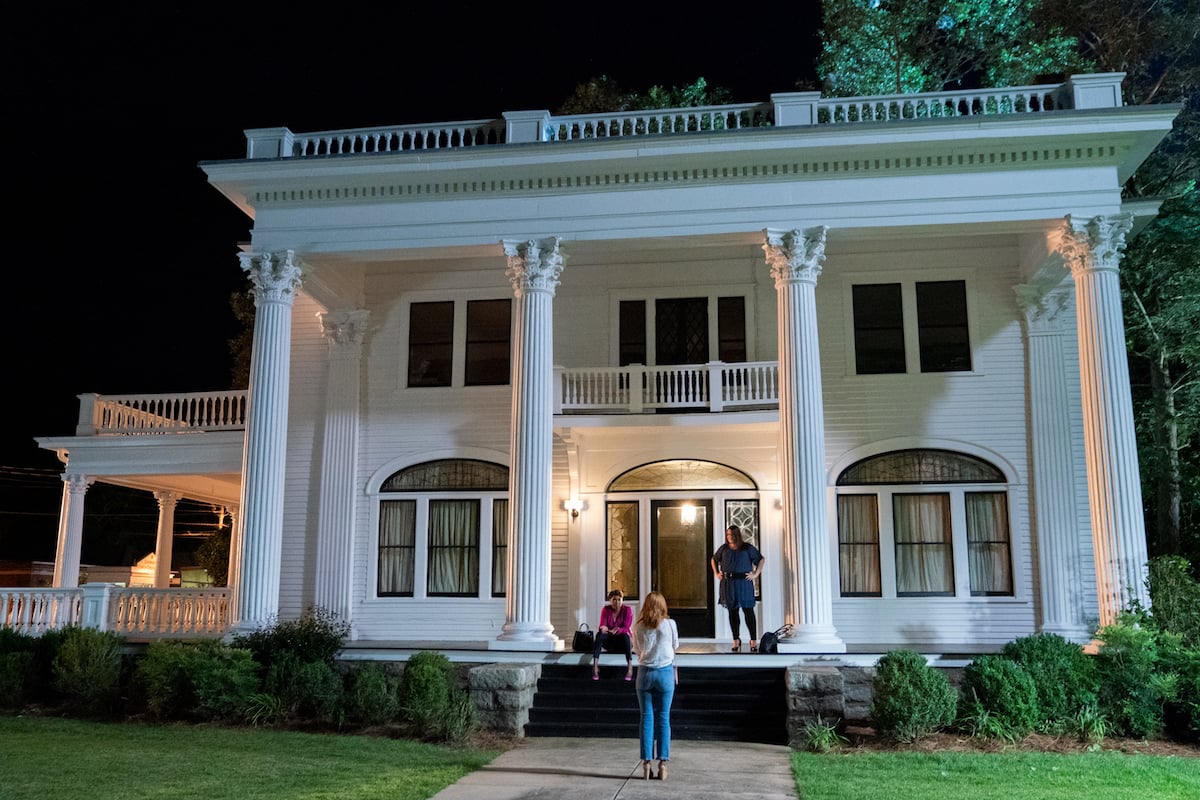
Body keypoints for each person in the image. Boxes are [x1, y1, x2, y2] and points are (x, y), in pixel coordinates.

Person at [632, 590, 678, 781]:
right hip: (665, 672)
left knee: (646, 718)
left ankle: (646, 764)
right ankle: (663, 764)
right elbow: (675, 646)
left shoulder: (638, 627)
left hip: (644, 673)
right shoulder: (670, 624)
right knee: (664, 718)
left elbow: (636, 649)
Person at [710, 525, 764, 652]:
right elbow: (713, 559)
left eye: (732, 535)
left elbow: (761, 560)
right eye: (728, 535)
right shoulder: (724, 548)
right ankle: (736, 639)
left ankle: (753, 640)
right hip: (728, 583)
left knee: (748, 612)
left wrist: (755, 574)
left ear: (737, 535)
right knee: (732, 612)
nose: (730, 537)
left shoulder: (747, 548)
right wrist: (716, 573)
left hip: (743, 583)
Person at [593, 588, 634, 681]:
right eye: (614, 600)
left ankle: (630, 668)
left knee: (626, 636)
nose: (617, 602)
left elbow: (626, 627)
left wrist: (618, 630)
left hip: (622, 642)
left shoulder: (627, 610)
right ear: (610, 600)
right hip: (610, 641)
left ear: (622, 600)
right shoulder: (606, 609)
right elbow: (602, 625)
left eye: (619, 599)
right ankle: (595, 667)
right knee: (599, 635)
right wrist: (604, 628)